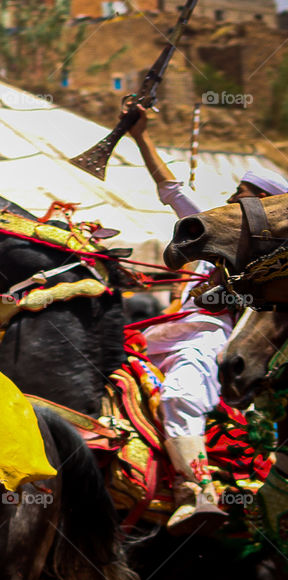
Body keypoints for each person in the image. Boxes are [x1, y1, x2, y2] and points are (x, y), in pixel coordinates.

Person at [129, 103, 288, 534]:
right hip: (163, 333)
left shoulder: (267, 259)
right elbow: (170, 189)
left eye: (242, 196)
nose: (231, 202)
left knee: (181, 394)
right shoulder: (212, 230)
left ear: (267, 208)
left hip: (210, 337)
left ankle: (197, 493)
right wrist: (141, 136)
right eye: (235, 194)